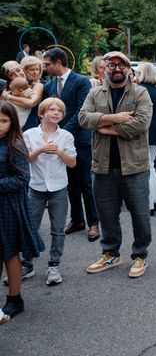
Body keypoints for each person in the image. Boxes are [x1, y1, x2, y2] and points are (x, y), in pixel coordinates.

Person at [79, 51, 153, 278]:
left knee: (140, 214)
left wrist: (103, 127)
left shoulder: (140, 93)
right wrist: (115, 118)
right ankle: (111, 253)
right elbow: (83, 118)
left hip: (134, 167)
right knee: (107, 214)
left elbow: (140, 123)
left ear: (128, 69)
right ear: (105, 68)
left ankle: (140, 255)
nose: (116, 69)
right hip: (102, 166)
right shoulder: (95, 93)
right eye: (112, 65)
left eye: (121, 65)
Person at [43, 47, 99, 242]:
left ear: (58, 62)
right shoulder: (49, 86)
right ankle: (77, 220)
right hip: (59, 141)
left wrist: (63, 133)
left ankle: (94, 222)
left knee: (85, 183)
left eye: (47, 64)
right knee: (70, 184)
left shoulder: (81, 81)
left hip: (79, 140)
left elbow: (81, 111)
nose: (45, 68)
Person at [22, 98, 77, 286]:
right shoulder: (29, 134)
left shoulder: (66, 136)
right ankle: (26, 264)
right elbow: (24, 160)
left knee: (58, 229)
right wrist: (40, 150)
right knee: (31, 227)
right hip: (36, 186)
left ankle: (54, 266)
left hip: (58, 187)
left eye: (60, 111)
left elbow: (72, 163)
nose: (56, 113)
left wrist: (58, 152)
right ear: (41, 113)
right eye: (52, 110)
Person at [0, 102, 44, 322]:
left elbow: (22, 179)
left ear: (12, 122)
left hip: (9, 207)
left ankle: (15, 299)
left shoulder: (15, 145)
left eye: (3, 121)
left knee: (10, 254)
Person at [135, 63, 156, 216]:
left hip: (147, 131)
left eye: (137, 72)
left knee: (146, 167)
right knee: (150, 165)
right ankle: (155, 199)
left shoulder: (140, 90)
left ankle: (149, 203)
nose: (135, 75)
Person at [2, 60, 44, 131]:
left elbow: (31, 103)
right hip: (9, 125)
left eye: (18, 70)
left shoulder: (37, 85)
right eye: (11, 74)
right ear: (8, 78)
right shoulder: (7, 89)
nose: (17, 75)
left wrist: (8, 97)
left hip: (30, 125)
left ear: (23, 69)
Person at [20, 56, 46, 129]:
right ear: (24, 70)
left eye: (37, 69)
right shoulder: (18, 84)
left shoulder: (47, 85)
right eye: (31, 70)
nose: (35, 72)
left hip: (38, 122)